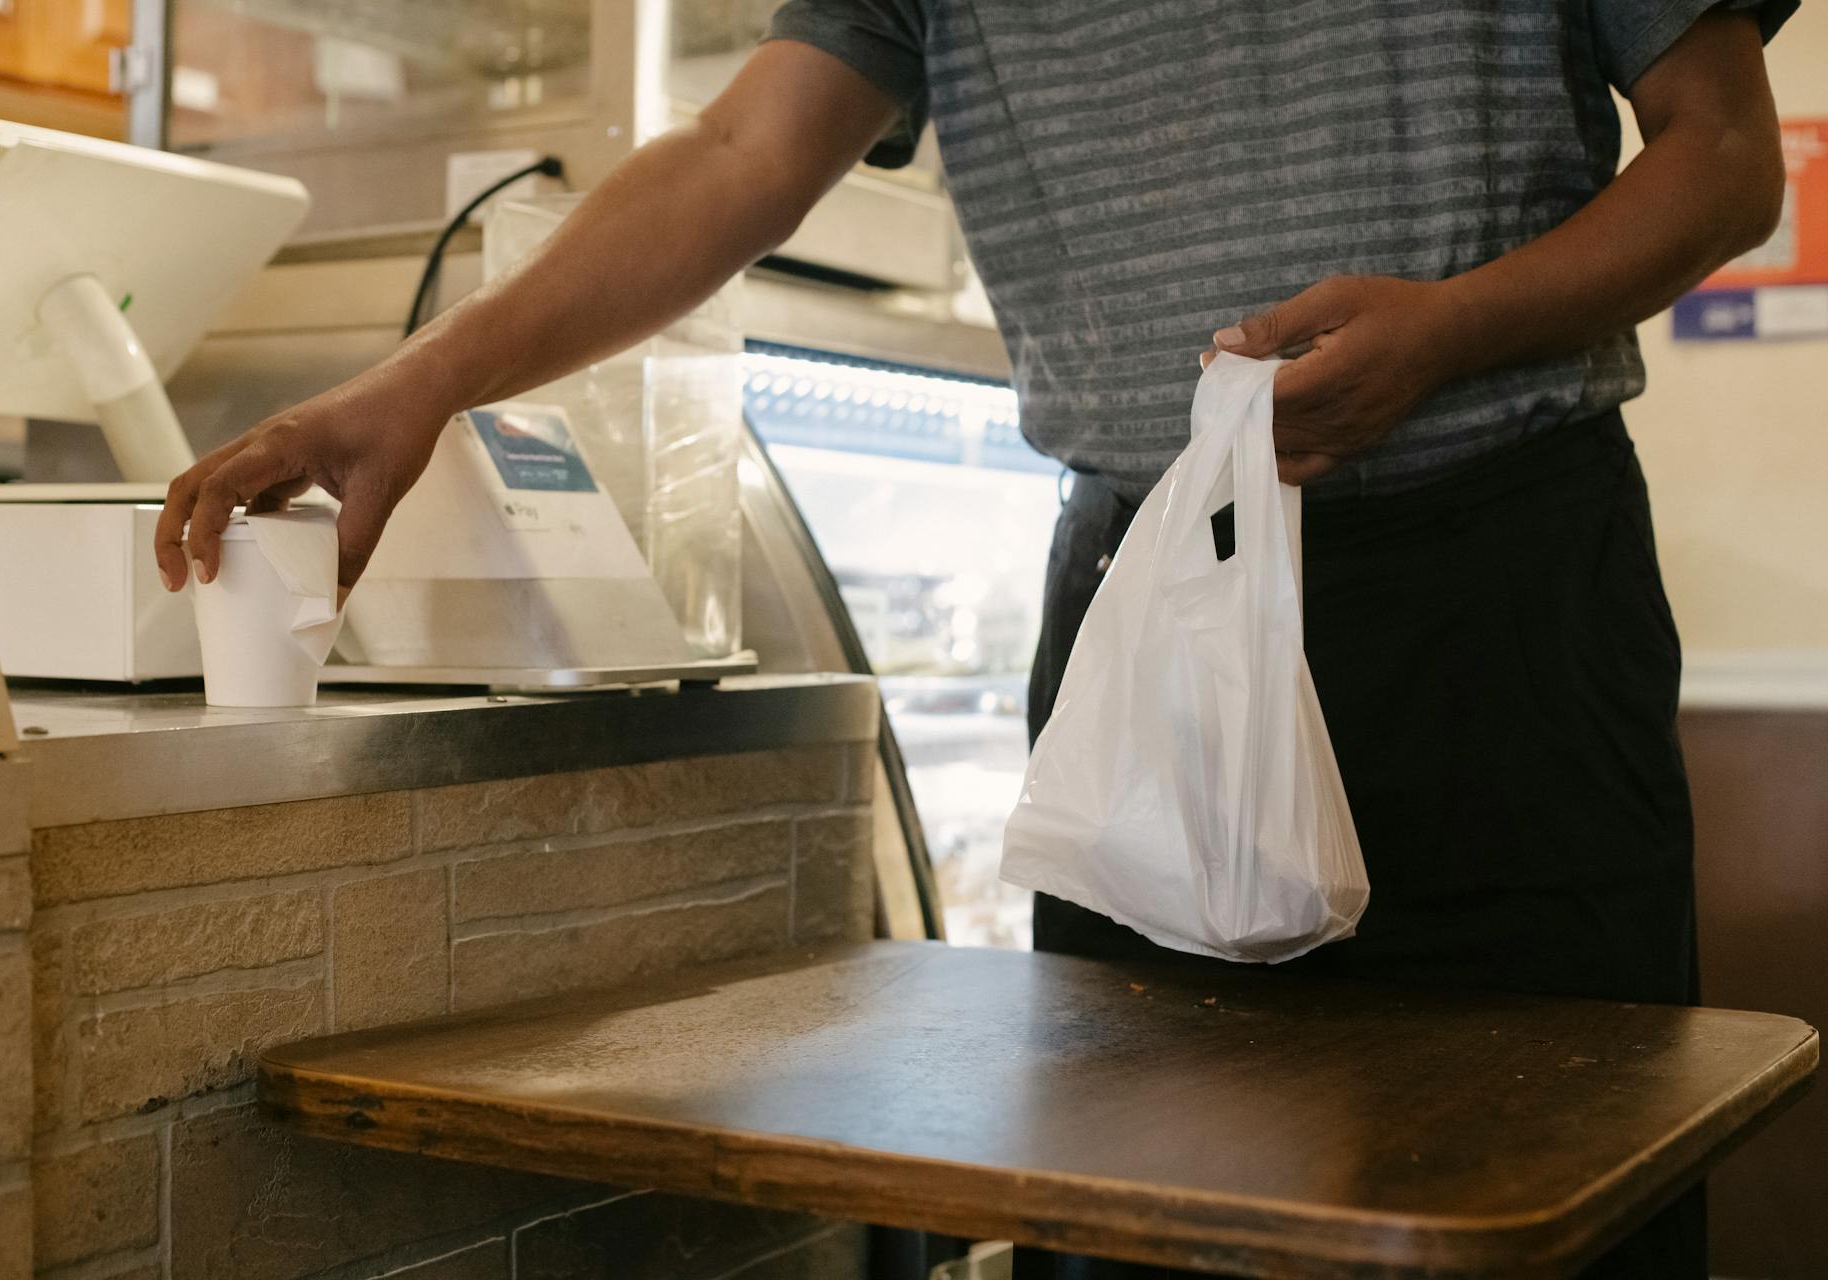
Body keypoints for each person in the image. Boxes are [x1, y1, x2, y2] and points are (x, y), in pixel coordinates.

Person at [155, 1, 1793, 1275]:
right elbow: (742, 152)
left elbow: (1723, 154)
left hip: (1492, 596)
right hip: (1140, 615)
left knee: (1554, 1194)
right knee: (1148, 1217)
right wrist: (419, 383)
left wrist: (1457, 329)